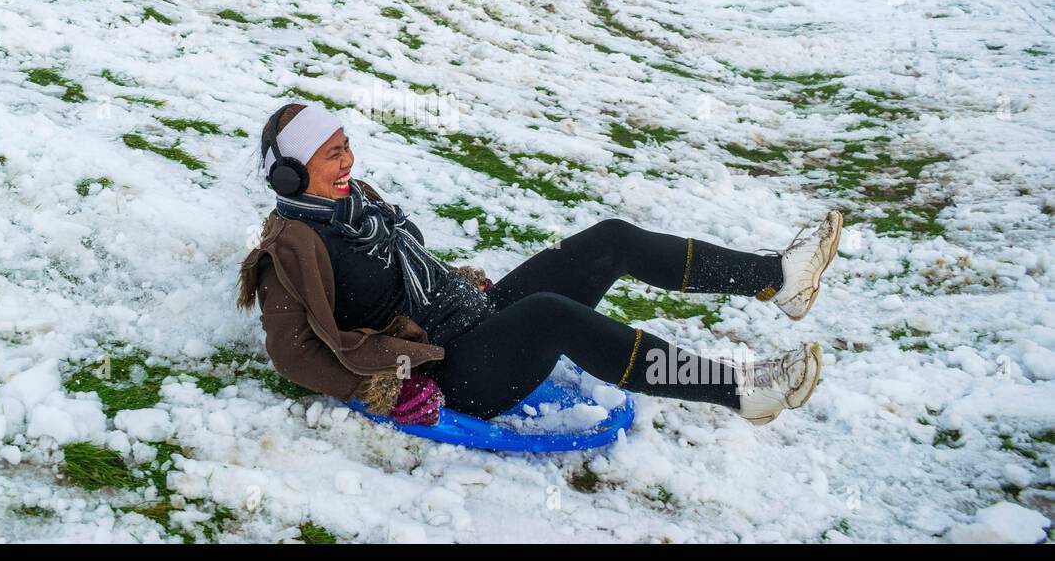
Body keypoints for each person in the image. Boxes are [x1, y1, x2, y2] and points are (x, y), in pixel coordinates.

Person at [236, 101, 842, 428]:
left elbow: (408, 271)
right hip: (448, 371)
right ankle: (742, 392)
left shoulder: (357, 203)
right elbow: (292, 352)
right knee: (553, 316)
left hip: (470, 318)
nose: (348, 160)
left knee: (610, 239)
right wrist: (385, 389)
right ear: (291, 172)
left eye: (346, 145)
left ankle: (777, 278)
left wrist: (462, 287)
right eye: (331, 152)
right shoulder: (289, 247)